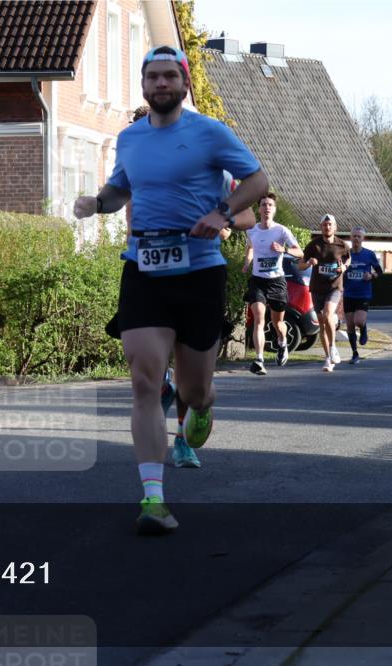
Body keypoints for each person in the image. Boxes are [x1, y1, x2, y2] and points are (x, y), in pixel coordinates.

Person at [74, 45, 267, 534]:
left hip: (199, 271)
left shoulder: (210, 133)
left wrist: (221, 214)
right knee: (143, 379)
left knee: (193, 387)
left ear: (183, 84)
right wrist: (97, 202)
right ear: (143, 86)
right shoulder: (130, 138)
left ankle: (200, 405)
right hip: (143, 266)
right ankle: (153, 498)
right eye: (152, 77)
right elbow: (120, 189)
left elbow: (258, 180)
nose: (160, 84)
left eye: (168, 77)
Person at [242, 192, 302, 374]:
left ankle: (282, 342)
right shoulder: (251, 230)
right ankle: (259, 360)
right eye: (264, 205)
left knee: (278, 324)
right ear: (259, 209)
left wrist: (283, 249)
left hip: (277, 282)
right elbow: (250, 247)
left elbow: (300, 252)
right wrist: (247, 262)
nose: (267, 207)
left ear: (274, 210)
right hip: (258, 280)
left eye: (270, 205)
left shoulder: (282, 231)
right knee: (259, 317)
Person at [299, 215, 350, 372]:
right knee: (321, 323)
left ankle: (333, 347)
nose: (327, 227)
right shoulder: (313, 245)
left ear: (335, 227)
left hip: (334, 287)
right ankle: (328, 358)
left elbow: (348, 259)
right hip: (317, 288)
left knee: (328, 314)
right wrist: (308, 263)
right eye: (324, 225)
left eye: (330, 225)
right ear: (321, 227)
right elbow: (300, 265)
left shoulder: (342, 245)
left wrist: (344, 268)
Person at [341, 226, 384, 364]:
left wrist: (371, 275)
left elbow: (380, 271)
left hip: (363, 293)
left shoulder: (369, 254)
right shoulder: (345, 254)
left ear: (363, 238)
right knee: (349, 325)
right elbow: (339, 269)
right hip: (348, 293)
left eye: (359, 236)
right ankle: (355, 354)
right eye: (354, 236)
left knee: (358, 321)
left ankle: (364, 329)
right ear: (350, 237)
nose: (356, 239)